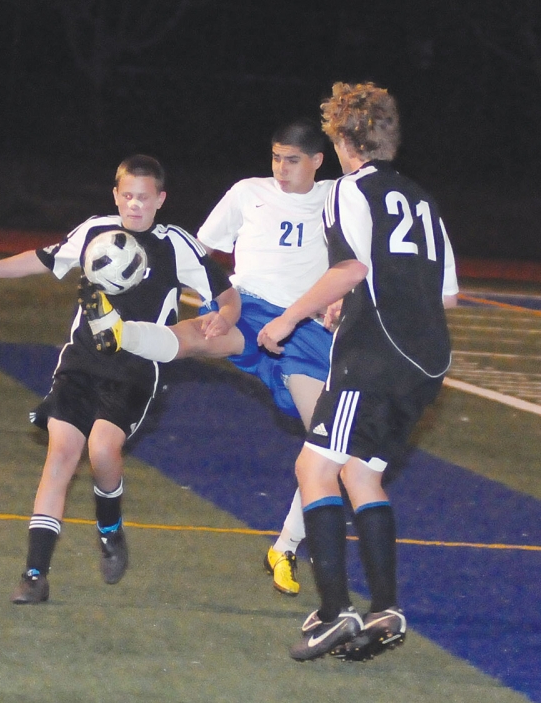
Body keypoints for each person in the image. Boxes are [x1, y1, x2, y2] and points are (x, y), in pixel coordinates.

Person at [0, 154, 240, 604]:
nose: (134, 205)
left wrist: (225, 316)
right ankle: (34, 574)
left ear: (161, 199)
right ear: (115, 195)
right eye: (127, 195)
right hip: (81, 365)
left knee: (103, 450)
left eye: (144, 198)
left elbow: (226, 294)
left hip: (133, 372)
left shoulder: (175, 244)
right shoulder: (94, 232)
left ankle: (110, 526)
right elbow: (42, 259)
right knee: (61, 454)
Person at [89, 119, 335, 596]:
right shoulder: (249, 192)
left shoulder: (336, 199)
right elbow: (199, 252)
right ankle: (124, 335)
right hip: (250, 307)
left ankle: (284, 546)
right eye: (276, 157)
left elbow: (355, 261)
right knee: (201, 336)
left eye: (293, 160)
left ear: (317, 162)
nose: (281, 169)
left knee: (329, 447)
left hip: (304, 330)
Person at [257, 82, 459, 661]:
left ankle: (333, 610)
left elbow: (350, 265)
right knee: (361, 475)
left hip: (371, 359)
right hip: (426, 363)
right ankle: (386, 611)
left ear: (344, 139)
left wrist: (289, 319)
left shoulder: (348, 190)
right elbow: (443, 291)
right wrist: (364, 296)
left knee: (312, 467)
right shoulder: (421, 198)